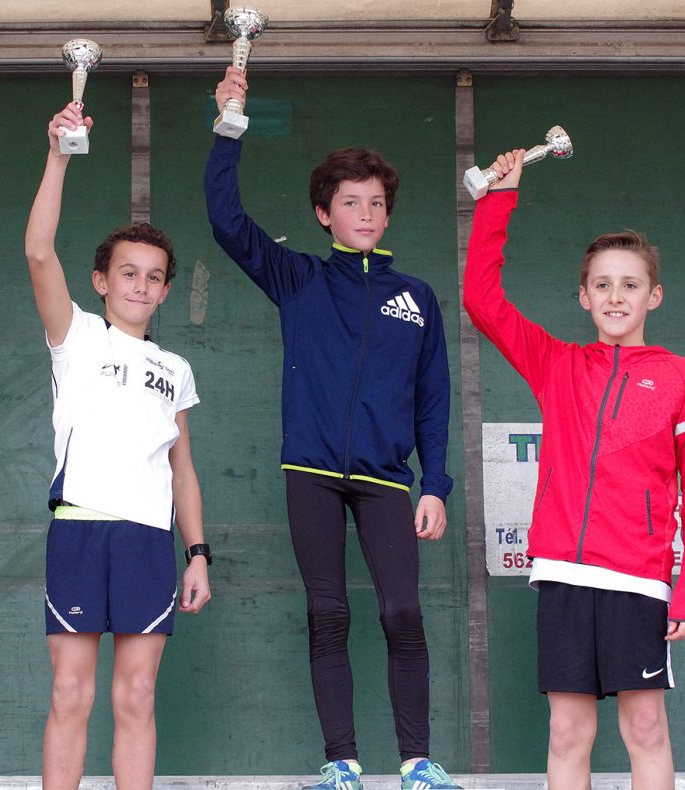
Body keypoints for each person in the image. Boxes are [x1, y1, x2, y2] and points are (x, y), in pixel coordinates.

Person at [206, 67, 459, 790]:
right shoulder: (299, 280)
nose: (365, 213)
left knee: (402, 612)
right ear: (324, 214)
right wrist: (229, 126)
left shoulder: (417, 298)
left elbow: (433, 398)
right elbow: (227, 222)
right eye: (350, 202)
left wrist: (435, 484)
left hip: (387, 479)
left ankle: (417, 762)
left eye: (376, 202)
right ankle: (341, 761)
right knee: (328, 612)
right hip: (311, 473)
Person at [463, 150, 685, 790]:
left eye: (630, 284)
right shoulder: (557, 365)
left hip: (639, 579)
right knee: (567, 732)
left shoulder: (683, 377)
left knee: (646, 729)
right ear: (583, 297)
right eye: (602, 285)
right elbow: (481, 300)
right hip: (563, 574)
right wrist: (499, 199)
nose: (615, 296)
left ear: (654, 296)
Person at [26, 102, 211, 790]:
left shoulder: (175, 370)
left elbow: (182, 470)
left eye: (154, 276)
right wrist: (59, 155)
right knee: (71, 693)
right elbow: (39, 251)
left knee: (136, 695)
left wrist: (198, 553)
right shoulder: (74, 336)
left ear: (165, 291)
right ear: (102, 282)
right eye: (128, 272)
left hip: (147, 542)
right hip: (80, 532)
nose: (141, 284)